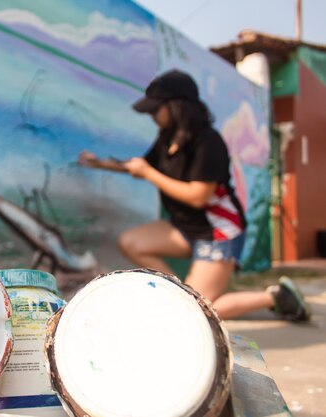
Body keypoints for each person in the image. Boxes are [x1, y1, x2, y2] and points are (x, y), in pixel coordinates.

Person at [78, 70, 310, 322]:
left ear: (176, 106)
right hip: (186, 228)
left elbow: (198, 196)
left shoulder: (208, 141)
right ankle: (180, 294)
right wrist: (98, 163)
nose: (152, 116)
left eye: (156, 109)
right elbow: (140, 166)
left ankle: (277, 296)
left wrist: (149, 173)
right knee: (132, 243)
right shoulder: (167, 139)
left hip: (218, 232)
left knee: (200, 311)